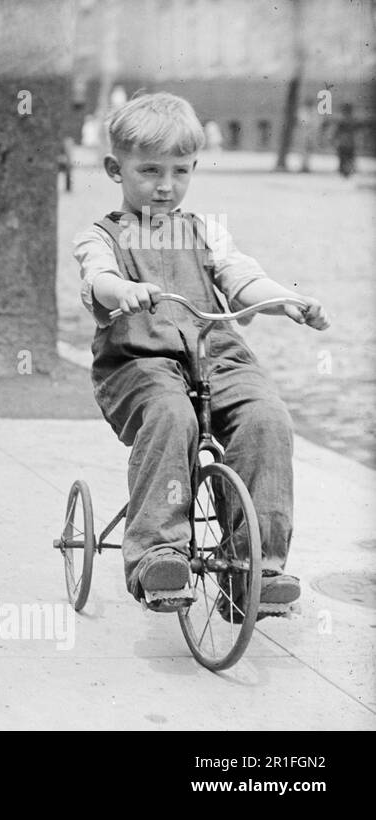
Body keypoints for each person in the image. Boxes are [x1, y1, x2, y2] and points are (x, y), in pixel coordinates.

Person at [72, 92, 330, 614]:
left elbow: (242, 278)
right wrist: (121, 291)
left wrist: (287, 301)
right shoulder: (102, 236)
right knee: (171, 416)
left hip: (218, 359)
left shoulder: (205, 231)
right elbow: (96, 277)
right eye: (149, 170)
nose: (165, 186)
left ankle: (255, 568)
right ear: (114, 169)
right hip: (142, 366)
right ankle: (158, 556)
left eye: (180, 171)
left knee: (268, 418)